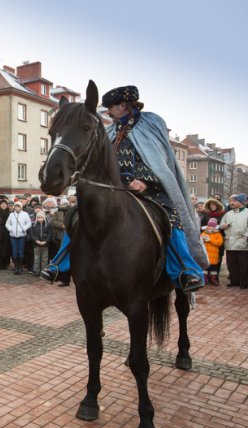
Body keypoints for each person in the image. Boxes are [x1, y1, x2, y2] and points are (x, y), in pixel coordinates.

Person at [102, 85, 207, 292]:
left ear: (123, 105)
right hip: (116, 190)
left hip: (153, 190)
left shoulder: (151, 123)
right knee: (84, 212)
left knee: (171, 219)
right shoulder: (110, 131)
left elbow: (161, 158)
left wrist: (145, 181)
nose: (108, 112)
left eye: (110, 107)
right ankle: (61, 263)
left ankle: (185, 269)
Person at [220, 194, 248, 289]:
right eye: (231, 201)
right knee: (231, 263)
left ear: (241, 202)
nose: (231, 203)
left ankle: (244, 283)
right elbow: (221, 223)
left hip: (243, 243)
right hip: (230, 243)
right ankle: (234, 281)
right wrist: (223, 226)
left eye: (234, 201)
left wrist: (245, 237)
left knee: (244, 264)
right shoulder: (228, 213)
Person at [6, 202, 32, 275]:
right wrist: (11, 229)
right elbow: (7, 224)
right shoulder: (11, 215)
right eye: (16, 207)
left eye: (18, 207)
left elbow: (29, 223)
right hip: (13, 236)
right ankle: (16, 267)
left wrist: (24, 228)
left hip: (22, 235)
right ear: (14, 207)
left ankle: (20, 268)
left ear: (21, 207)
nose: (17, 208)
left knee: (20, 252)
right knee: (14, 252)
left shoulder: (25, 214)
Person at [201, 218, 223, 286]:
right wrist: (203, 239)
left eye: (212, 226)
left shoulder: (218, 234)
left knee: (214, 268)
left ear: (215, 227)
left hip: (214, 255)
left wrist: (210, 240)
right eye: (209, 225)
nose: (210, 227)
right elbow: (200, 241)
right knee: (205, 268)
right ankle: (204, 279)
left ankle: (213, 279)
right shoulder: (204, 232)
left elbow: (219, 243)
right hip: (205, 255)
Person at [29, 211, 50, 277]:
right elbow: (31, 234)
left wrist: (45, 241)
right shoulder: (33, 225)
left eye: (41, 217)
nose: (40, 218)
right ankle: (36, 271)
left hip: (45, 244)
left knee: (44, 259)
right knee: (36, 258)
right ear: (36, 218)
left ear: (44, 218)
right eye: (38, 217)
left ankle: (43, 272)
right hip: (36, 244)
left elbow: (50, 234)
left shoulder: (47, 225)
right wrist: (36, 241)